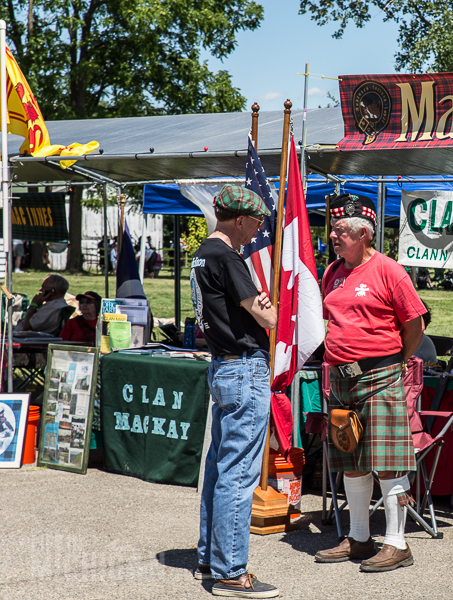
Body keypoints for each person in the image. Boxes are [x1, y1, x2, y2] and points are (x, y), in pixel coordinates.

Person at [314, 194, 426, 573]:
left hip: (380, 376)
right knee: (351, 461)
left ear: (364, 233)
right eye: (332, 229)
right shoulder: (332, 272)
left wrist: (395, 362)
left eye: (341, 230)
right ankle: (359, 537)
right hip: (342, 381)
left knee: (388, 463)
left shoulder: (389, 270)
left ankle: (397, 543)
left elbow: (415, 325)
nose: (333, 235)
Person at [190, 184, 279, 598]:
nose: (259, 230)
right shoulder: (227, 256)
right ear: (240, 220)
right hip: (243, 367)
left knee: (219, 467)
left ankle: (211, 555)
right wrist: (271, 308)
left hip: (223, 366)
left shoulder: (201, 255)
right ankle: (231, 571)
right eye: (257, 223)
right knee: (239, 473)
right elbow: (266, 315)